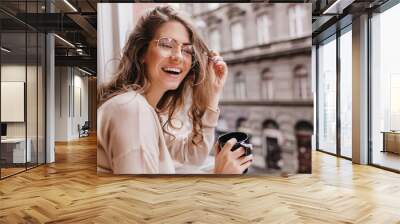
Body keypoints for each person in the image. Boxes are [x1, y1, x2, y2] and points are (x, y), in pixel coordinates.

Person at [97, 6, 253, 174]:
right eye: (166, 44)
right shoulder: (132, 109)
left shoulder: (149, 111)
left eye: (186, 50)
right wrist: (220, 178)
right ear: (142, 52)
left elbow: (192, 155)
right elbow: (140, 197)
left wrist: (213, 92)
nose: (178, 56)